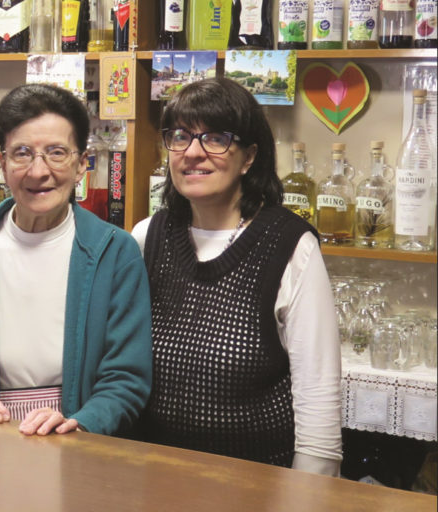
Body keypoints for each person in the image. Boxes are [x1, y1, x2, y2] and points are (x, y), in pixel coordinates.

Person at [131, 77, 342, 476]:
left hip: (257, 482)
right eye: (180, 136)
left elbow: (318, 396)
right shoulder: (147, 237)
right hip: (155, 476)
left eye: (215, 138)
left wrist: (308, 496)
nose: (193, 152)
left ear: (249, 157)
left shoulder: (290, 246)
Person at [0, 83, 152, 437]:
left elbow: (126, 376)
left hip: (81, 444)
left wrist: (82, 423)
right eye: (22, 153)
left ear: (80, 164)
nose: (38, 171)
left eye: (56, 153)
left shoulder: (115, 252)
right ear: (3, 163)